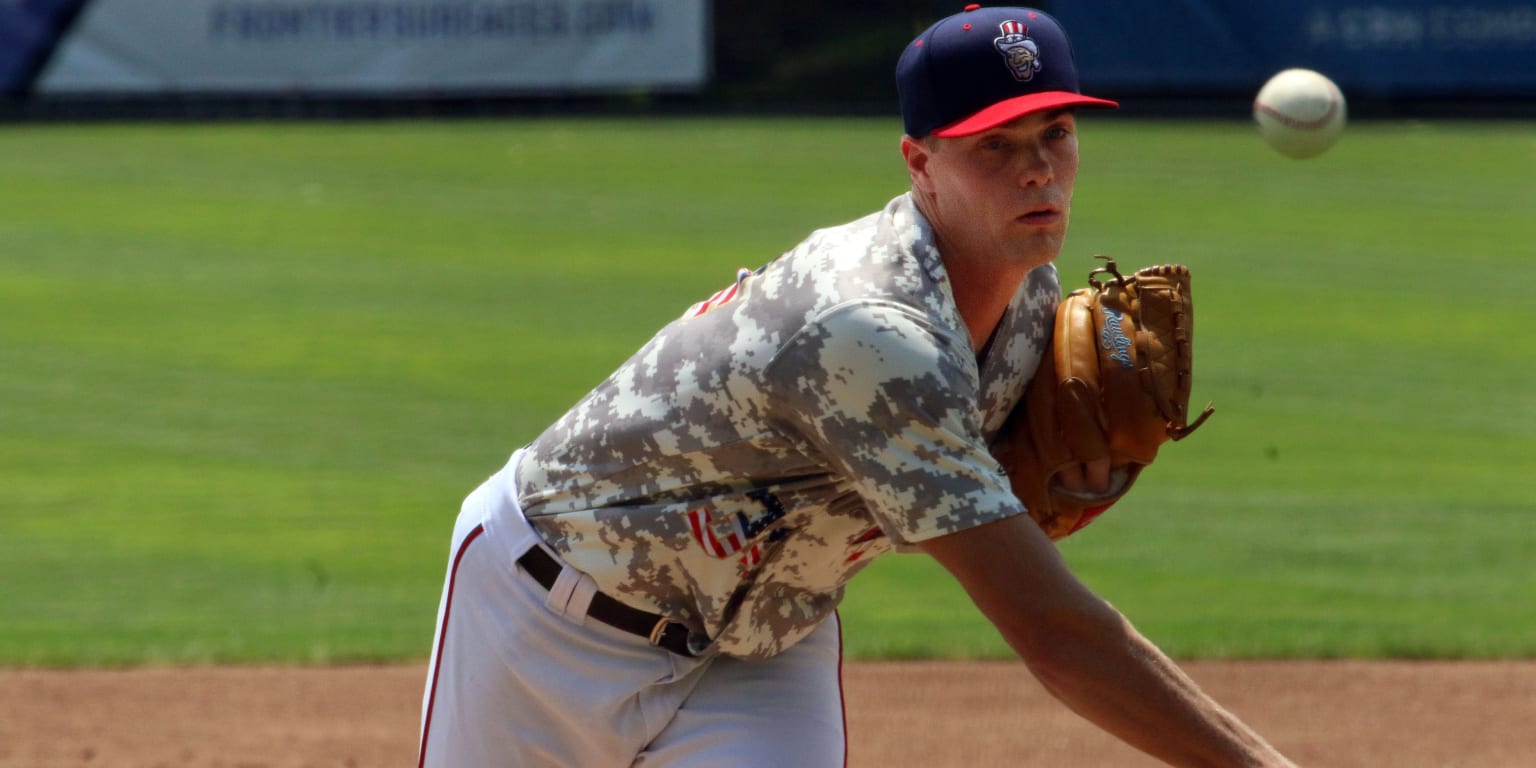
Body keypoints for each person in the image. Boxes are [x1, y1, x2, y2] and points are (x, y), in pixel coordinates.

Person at [418, 5, 1297, 767]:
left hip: (763, 643)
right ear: (920, 164)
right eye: (995, 145)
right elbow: (1055, 633)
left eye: (1056, 136)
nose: (1038, 171)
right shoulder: (869, 330)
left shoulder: (1031, 291)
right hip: (552, 616)